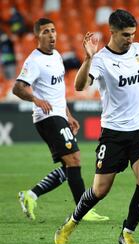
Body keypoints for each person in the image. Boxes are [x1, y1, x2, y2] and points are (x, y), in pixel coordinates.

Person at [54, 5, 139, 244]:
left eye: (133, 34)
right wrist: (88, 59)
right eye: (126, 35)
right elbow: (80, 86)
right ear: (112, 31)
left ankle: (127, 233)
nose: (130, 39)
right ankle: (71, 222)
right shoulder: (101, 60)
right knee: (100, 190)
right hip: (114, 132)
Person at [12, 18, 108, 222]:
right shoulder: (34, 61)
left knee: (69, 166)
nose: (52, 34)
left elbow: (57, 92)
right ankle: (84, 210)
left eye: (53, 30)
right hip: (46, 117)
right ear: (38, 36)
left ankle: (31, 195)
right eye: (46, 31)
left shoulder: (56, 56)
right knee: (74, 158)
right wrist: (35, 99)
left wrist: (69, 114)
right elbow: (17, 88)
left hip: (58, 114)